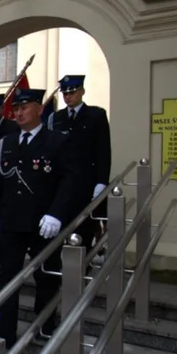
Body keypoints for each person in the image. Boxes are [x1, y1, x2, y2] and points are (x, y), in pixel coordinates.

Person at [0, 89, 79, 348]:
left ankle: (45, 328)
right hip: (11, 222)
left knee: (47, 277)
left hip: (44, 224)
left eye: (24, 107)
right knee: (7, 279)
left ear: (40, 110)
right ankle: (6, 334)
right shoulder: (6, 142)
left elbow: (69, 181)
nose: (18, 113)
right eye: (15, 109)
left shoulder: (58, 141)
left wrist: (56, 214)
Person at [49, 74, 112, 251]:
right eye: (65, 93)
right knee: (63, 225)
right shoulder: (57, 118)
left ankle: (83, 266)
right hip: (62, 182)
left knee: (84, 227)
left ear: (82, 91)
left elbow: (103, 151)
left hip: (87, 181)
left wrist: (101, 182)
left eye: (72, 92)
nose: (68, 96)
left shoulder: (96, 115)